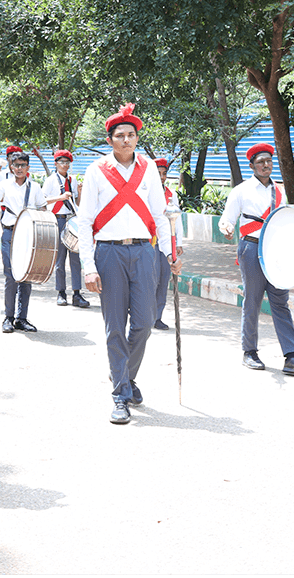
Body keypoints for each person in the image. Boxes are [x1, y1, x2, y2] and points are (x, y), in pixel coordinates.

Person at [79, 104, 177, 425]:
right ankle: (121, 394)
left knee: (144, 323)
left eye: (131, 135)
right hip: (108, 253)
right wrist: (88, 266)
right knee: (114, 326)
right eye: (119, 136)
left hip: (144, 253)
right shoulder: (96, 170)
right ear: (110, 140)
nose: (125, 140)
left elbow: (160, 216)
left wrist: (169, 254)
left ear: (137, 138)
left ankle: (122, 374)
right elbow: (85, 221)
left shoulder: (148, 169)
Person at [219, 143, 294, 376]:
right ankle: (249, 351)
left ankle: (292, 357)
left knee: (280, 301)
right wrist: (227, 228)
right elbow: (226, 219)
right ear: (252, 165)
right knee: (252, 301)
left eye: (269, 161)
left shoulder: (278, 192)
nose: (266, 165)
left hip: (276, 251)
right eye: (261, 162)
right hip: (251, 248)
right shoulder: (241, 190)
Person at [0, 150, 47, 333]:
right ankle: (8, 317)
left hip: (29, 235)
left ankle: (22, 318)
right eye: (16, 165)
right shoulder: (4, 185)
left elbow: (42, 207)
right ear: (11, 167)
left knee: (26, 275)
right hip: (9, 233)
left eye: (23, 165)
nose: (19, 168)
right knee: (11, 275)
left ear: (28, 167)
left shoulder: (34, 187)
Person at [42, 149, 89, 308]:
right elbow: (43, 201)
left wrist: (80, 193)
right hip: (57, 220)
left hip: (71, 219)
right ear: (56, 164)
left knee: (76, 258)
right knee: (59, 260)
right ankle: (61, 292)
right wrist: (60, 198)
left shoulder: (73, 180)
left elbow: (77, 203)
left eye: (67, 162)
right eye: (62, 162)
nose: (65, 165)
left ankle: (77, 293)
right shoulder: (50, 180)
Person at [153, 158, 183, 329]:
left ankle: (157, 316)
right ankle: (144, 314)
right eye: (158, 173)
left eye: (164, 174)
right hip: (150, 242)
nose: (162, 177)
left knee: (164, 279)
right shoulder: (146, 192)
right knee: (151, 278)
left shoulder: (172, 194)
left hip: (167, 243)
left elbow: (177, 220)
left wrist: (178, 242)